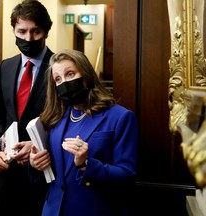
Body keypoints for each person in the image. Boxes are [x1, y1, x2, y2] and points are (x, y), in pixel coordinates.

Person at [29, 49, 139, 216]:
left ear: (87, 76)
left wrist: (86, 164)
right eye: (58, 79)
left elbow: (127, 177)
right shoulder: (54, 118)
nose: (64, 83)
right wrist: (35, 164)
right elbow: (52, 171)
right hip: (53, 211)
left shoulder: (121, 117)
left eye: (70, 74)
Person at [0, 0, 53, 215]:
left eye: (35, 31)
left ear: (46, 31)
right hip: (5, 175)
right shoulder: (5, 67)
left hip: (42, 174)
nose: (28, 38)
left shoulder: (59, 68)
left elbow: (65, 121)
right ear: (14, 31)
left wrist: (37, 145)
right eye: (22, 31)